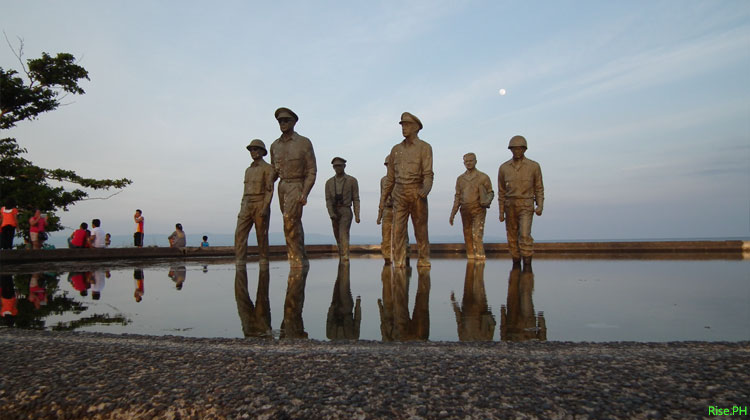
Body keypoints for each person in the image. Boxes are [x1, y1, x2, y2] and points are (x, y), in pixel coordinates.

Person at [379, 112, 433, 268]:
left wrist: (426, 189)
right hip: (399, 194)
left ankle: (423, 258)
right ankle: (399, 261)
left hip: (417, 192)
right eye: (402, 125)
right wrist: (383, 200)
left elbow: (428, 174)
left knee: (420, 230)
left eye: (407, 125)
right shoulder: (395, 150)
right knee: (397, 231)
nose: (404, 128)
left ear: (416, 127)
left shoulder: (425, 148)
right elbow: (390, 179)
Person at [269, 107, 317, 267]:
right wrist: (267, 182)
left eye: (286, 120)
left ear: (294, 122)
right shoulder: (274, 145)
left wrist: (305, 193)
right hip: (282, 187)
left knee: (289, 221)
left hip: (296, 185)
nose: (282, 123)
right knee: (293, 222)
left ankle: (295, 261)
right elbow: (274, 171)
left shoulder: (304, 142)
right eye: (280, 121)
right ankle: (301, 258)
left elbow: (311, 171)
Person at [498, 135, 544, 267]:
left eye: (519, 149)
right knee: (512, 236)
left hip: (526, 203)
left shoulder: (534, 166)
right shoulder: (504, 168)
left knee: (524, 234)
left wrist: (540, 205)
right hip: (510, 205)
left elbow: (539, 188)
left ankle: (528, 265)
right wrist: (501, 211)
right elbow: (501, 191)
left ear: (524, 149)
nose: (516, 151)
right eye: (514, 149)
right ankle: (516, 263)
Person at [235, 139, 275, 263]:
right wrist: (242, 206)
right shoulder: (248, 170)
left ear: (262, 152)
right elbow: (245, 190)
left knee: (261, 236)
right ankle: (240, 261)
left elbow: (269, 190)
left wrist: (265, 206)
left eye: (255, 149)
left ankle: (264, 261)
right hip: (246, 204)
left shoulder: (268, 168)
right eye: (251, 150)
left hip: (260, 202)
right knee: (239, 233)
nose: (253, 152)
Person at [449, 153, 494, 260]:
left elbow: (490, 192)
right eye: (466, 161)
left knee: (477, 235)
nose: (468, 163)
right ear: (464, 163)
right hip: (465, 209)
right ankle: (471, 259)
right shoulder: (460, 179)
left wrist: (487, 201)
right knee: (467, 236)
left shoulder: (483, 177)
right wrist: (453, 213)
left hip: (478, 208)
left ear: (475, 161)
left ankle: (480, 258)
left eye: (471, 161)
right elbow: (457, 197)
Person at [324, 157, 360, 260]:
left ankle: (345, 257)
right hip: (334, 210)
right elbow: (328, 200)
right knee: (337, 235)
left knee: (343, 233)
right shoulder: (329, 182)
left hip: (346, 210)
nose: (337, 168)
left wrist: (357, 215)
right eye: (335, 166)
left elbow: (356, 199)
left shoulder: (352, 180)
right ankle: (342, 255)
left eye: (339, 166)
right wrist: (331, 213)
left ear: (344, 166)